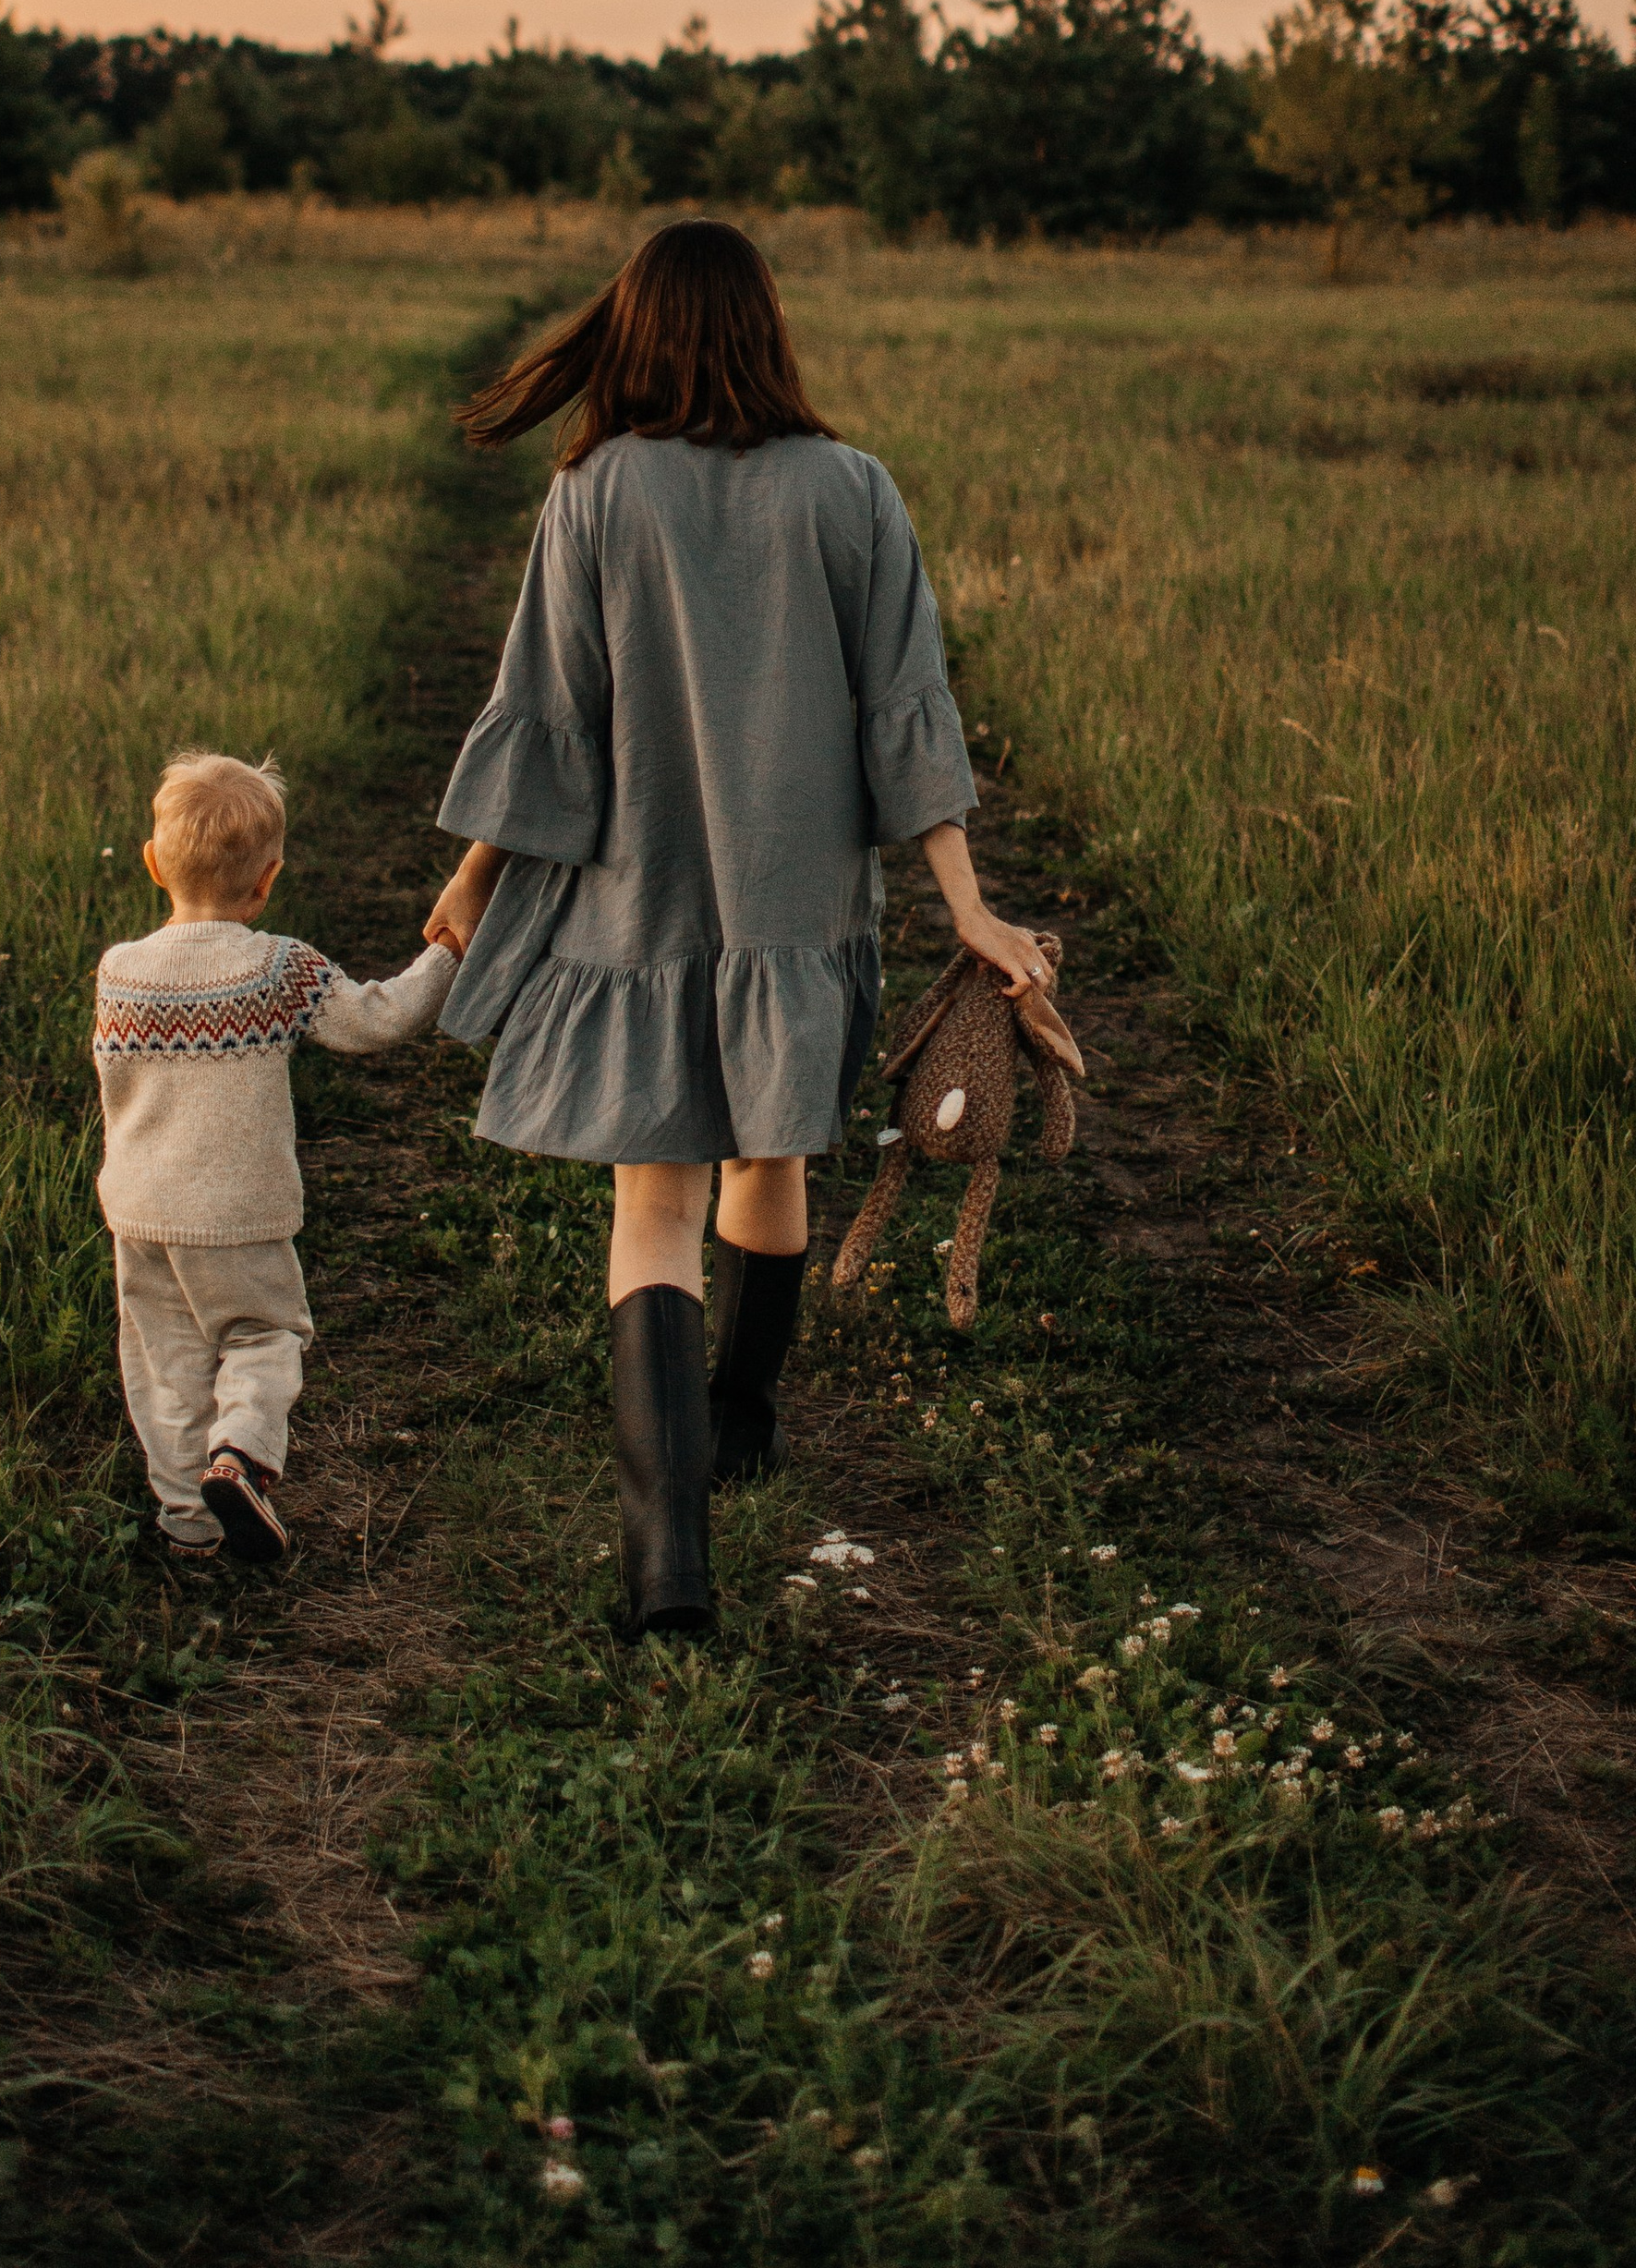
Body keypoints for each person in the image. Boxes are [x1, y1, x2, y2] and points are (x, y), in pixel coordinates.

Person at [424, 221, 1049, 1641]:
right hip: (795, 904)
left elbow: (552, 715)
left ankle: (667, 1568)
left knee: (652, 1202)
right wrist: (967, 905)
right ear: (768, 327)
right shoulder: (854, 490)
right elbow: (907, 710)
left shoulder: (592, 492)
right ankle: (747, 1421)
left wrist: (474, 880)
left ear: (637, 331)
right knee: (767, 1159)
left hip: (637, 908)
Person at [93, 750, 456, 1565]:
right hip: (241, 1212)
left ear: (153, 864)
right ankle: (243, 1455)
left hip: (142, 1212)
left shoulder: (119, 972)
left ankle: (189, 1524)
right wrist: (445, 957)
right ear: (268, 880)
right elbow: (378, 1021)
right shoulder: (277, 967)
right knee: (263, 1337)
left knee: (164, 1358)